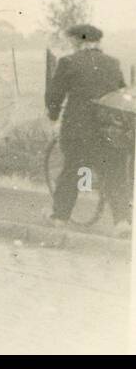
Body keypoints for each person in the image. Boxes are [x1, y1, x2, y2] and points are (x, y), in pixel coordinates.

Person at [46, 23, 128, 230]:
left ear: (76, 40)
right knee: (115, 175)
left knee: (72, 171)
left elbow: (54, 95)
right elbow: (120, 94)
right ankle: (122, 222)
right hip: (109, 130)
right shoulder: (113, 63)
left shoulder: (68, 62)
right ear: (97, 42)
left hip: (78, 130)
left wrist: (53, 115)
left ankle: (60, 218)